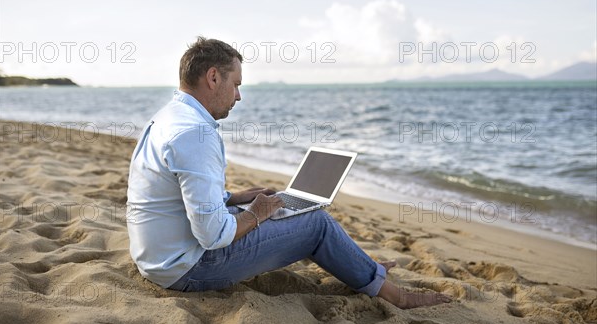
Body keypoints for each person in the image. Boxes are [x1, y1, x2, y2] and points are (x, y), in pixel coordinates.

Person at [126, 37, 451, 309]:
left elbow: (178, 195)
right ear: (213, 78)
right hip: (186, 269)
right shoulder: (195, 134)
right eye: (236, 84)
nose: (238, 95)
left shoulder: (170, 117)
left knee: (275, 210)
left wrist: (235, 199)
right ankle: (396, 296)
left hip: (157, 258)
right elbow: (213, 236)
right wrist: (255, 215)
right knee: (316, 223)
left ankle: (366, 268)